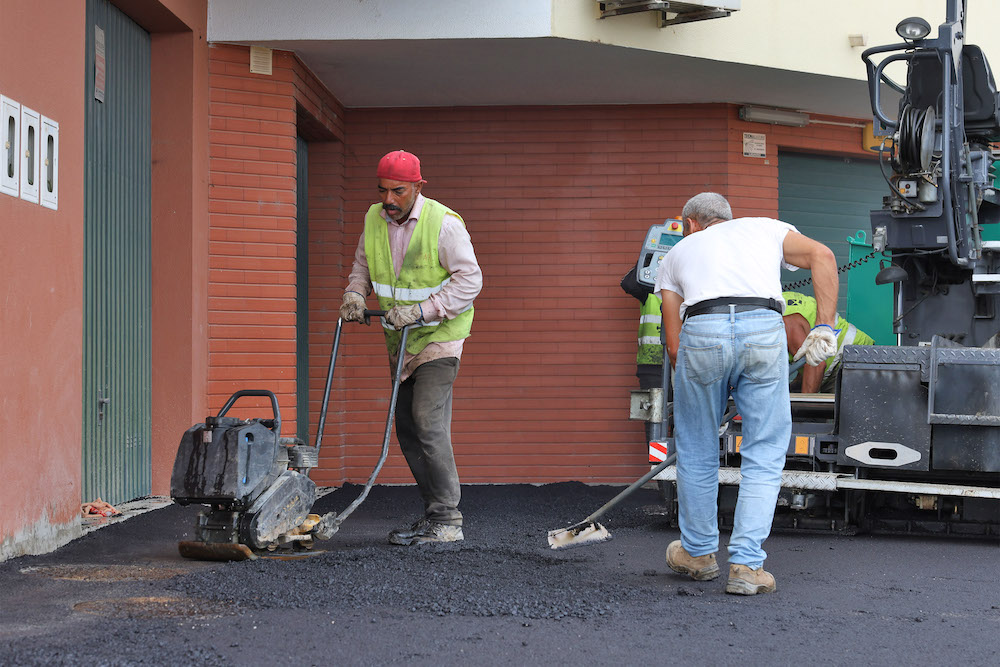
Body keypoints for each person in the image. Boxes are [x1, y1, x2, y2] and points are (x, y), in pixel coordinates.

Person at [654, 192, 839, 595]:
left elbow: (673, 345)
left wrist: (701, 392)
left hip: (701, 331)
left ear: (691, 223)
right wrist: (825, 326)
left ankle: (699, 554)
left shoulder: (677, 253)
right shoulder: (766, 228)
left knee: (697, 449)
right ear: (728, 218)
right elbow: (823, 255)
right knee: (765, 450)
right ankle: (746, 566)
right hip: (762, 325)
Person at [340, 150, 483, 546]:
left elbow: (470, 281)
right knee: (405, 427)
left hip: (440, 337)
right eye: (383, 190)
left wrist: (423, 311)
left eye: (398, 191)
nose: (389, 200)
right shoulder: (373, 219)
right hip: (400, 341)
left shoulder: (444, 224)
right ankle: (434, 513)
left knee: (426, 419)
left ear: (418, 187)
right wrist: (354, 292)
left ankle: (448, 521)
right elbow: (363, 265)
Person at [782, 291, 875, 394]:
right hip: (850, 356)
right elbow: (803, 355)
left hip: (852, 358)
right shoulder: (780, 304)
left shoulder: (784, 322)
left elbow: (816, 364)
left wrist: (805, 405)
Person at [620, 265, 663, 390]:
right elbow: (628, 283)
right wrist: (649, 257)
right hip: (652, 364)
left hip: (682, 363)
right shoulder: (649, 292)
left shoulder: (689, 290)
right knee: (653, 408)